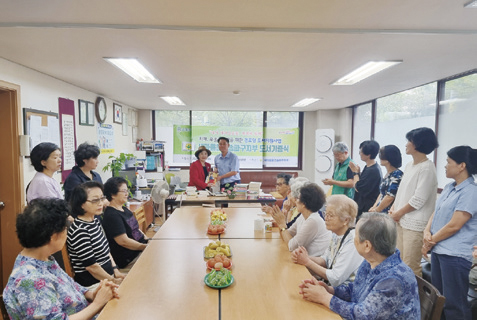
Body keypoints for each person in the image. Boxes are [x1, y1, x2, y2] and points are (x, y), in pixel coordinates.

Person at [2, 198, 119, 319]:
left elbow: (69, 287)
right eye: (65, 229)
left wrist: (93, 294)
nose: (66, 233)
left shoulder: (42, 258)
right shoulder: (31, 280)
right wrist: (97, 304)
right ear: (53, 236)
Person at [299, 212, 420, 319]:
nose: (353, 239)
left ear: (367, 246)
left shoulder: (394, 280)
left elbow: (363, 315)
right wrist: (330, 290)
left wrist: (324, 297)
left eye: (355, 235)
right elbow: (355, 289)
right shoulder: (372, 260)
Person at [422, 146, 477, 319]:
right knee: (440, 302)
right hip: (439, 250)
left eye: (448, 162)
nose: (445, 166)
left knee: (454, 304)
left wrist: (431, 241)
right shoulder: (448, 187)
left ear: (462, 166)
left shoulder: (471, 191)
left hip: (455, 255)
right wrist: (426, 231)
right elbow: (436, 212)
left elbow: (455, 225)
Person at [389, 127, 438, 276]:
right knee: (399, 262)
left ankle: (413, 299)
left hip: (414, 224)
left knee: (410, 266)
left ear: (417, 144)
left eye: (409, 141)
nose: (406, 144)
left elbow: (418, 199)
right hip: (400, 220)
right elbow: (402, 192)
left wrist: (398, 213)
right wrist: (394, 209)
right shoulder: (409, 165)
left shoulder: (427, 168)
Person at [291, 195, 363, 287]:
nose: (326, 218)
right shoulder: (336, 234)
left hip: (345, 292)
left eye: (331, 215)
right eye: (326, 214)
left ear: (346, 220)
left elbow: (335, 278)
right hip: (330, 286)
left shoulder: (353, 241)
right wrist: (301, 257)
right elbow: (325, 260)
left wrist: (307, 262)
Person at [68, 181, 126, 287]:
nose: (100, 203)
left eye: (101, 198)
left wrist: (115, 270)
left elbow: (106, 251)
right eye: (95, 200)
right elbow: (92, 267)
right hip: (93, 284)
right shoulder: (80, 230)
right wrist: (112, 280)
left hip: (107, 277)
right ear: (81, 204)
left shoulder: (94, 221)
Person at [272, 183, 331, 257]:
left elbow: (292, 247)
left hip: (312, 263)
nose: (295, 201)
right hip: (303, 260)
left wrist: (282, 224)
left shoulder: (313, 221)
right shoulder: (303, 216)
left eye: (298, 198)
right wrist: (281, 222)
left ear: (304, 204)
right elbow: (286, 235)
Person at [102, 177, 149, 269]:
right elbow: (123, 241)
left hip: (140, 249)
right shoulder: (112, 216)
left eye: (127, 191)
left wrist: (148, 240)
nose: (127, 194)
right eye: (123, 191)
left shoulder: (124, 209)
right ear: (113, 194)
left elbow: (136, 229)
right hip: (130, 258)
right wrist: (145, 247)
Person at [349, 140, 382, 218]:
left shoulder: (373, 170)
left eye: (361, 152)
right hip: (362, 205)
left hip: (367, 208)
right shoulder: (369, 166)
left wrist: (355, 173)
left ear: (368, 155)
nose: (360, 153)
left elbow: (358, 187)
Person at [368, 145, 403, 213]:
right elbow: (381, 193)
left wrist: (377, 209)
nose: (380, 158)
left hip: (388, 212)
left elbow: (390, 197)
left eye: (381, 156)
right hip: (380, 211)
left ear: (388, 159)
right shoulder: (388, 174)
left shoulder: (397, 175)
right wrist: (374, 207)